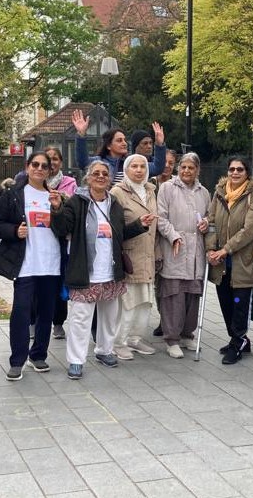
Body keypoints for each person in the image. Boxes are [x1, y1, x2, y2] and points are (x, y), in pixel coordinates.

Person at [49, 160, 150, 379]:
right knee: (80, 319)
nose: (101, 176)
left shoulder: (113, 203)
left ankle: (104, 350)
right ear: (88, 177)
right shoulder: (78, 201)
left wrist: (140, 224)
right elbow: (62, 228)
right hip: (86, 272)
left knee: (109, 317)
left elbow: (120, 233)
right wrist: (56, 209)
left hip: (110, 271)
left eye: (105, 173)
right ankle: (76, 360)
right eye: (96, 173)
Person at [0, 151, 64, 381]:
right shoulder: (13, 195)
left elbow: (64, 229)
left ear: (50, 170)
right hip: (26, 264)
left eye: (44, 166)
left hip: (50, 264)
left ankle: (38, 354)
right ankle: (17, 360)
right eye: (35, 165)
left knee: (46, 312)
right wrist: (14, 231)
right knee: (21, 311)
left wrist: (58, 209)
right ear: (28, 166)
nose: (40, 169)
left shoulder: (55, 196)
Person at [205, 156, 253, 365]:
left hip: (242, 261)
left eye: (240, 169)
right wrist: (211, 249)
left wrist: (226, 249)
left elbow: (250, 229)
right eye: (232, 169)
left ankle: (237, 339)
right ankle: (238, 339)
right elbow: (211, 221)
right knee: (226, 303)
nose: (235, 173)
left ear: (247, 172)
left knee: (239, 303)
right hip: (222, 264)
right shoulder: (220, 193)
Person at [155, 152, 210, 358]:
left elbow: (208, 216)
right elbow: (161, 218)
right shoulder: (167, 188)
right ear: (179, 168)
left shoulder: (204, 192)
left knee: (192, 295)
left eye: (191, 168)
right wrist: (173, 236)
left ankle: (188, 334)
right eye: (184, 167)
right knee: (173, 295)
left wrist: (206, 222)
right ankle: (172, 338)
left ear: (197, 170)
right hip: (175, 247)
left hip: (196, 250)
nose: (187, 171)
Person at [112, 154, 160, 360]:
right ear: (126, 169)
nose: (139, 170)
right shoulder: (117, 193)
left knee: (145, 303)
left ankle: (135, 338)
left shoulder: (151, 191)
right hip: (130, 257)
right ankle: (118, 341)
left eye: (142, 166)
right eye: (134, 166)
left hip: (148, 256)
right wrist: (139, 223)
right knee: (128, 303)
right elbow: (115, 229)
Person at [71, 109, 167, 182]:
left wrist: (159, 144)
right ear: (108, 145)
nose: (124, 143)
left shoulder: (132, 162)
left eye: (124, 140)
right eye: (119, 140)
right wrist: (81, 134)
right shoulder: (98, 161)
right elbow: (83, 162)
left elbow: (157, 168)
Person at [44, 146, 77, 340]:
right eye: (48, 159)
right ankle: (34, 320)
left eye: (55, 159)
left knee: (59, 281)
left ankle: (58, 322)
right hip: (39, 240)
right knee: (37, 283)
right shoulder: (34, 182)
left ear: (61, 162)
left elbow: (72, 208)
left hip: (61, 240)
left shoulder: (69, 183)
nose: (52, 162)